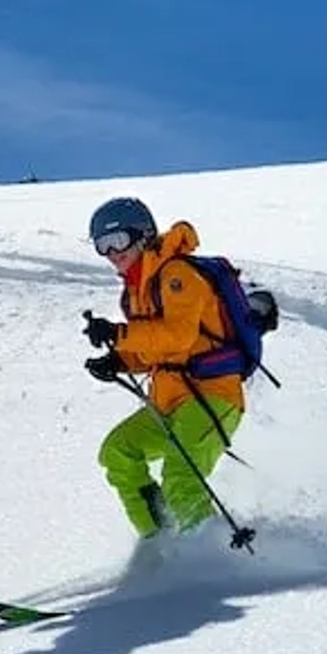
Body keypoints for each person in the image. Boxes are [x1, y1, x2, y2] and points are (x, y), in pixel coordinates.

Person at [82, 196, 245, 539]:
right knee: (118, 452)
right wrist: (119, 360)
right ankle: (159, 542)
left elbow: (179, 337)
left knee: (180, 476)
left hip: (211, 396)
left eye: (118, 241)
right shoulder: (134, 292)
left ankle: (209, 561)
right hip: (170, 402)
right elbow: (154, 353)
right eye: (102, 246)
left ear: (143, 236)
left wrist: (120, 333)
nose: (112, 254)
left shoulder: (177, 274)